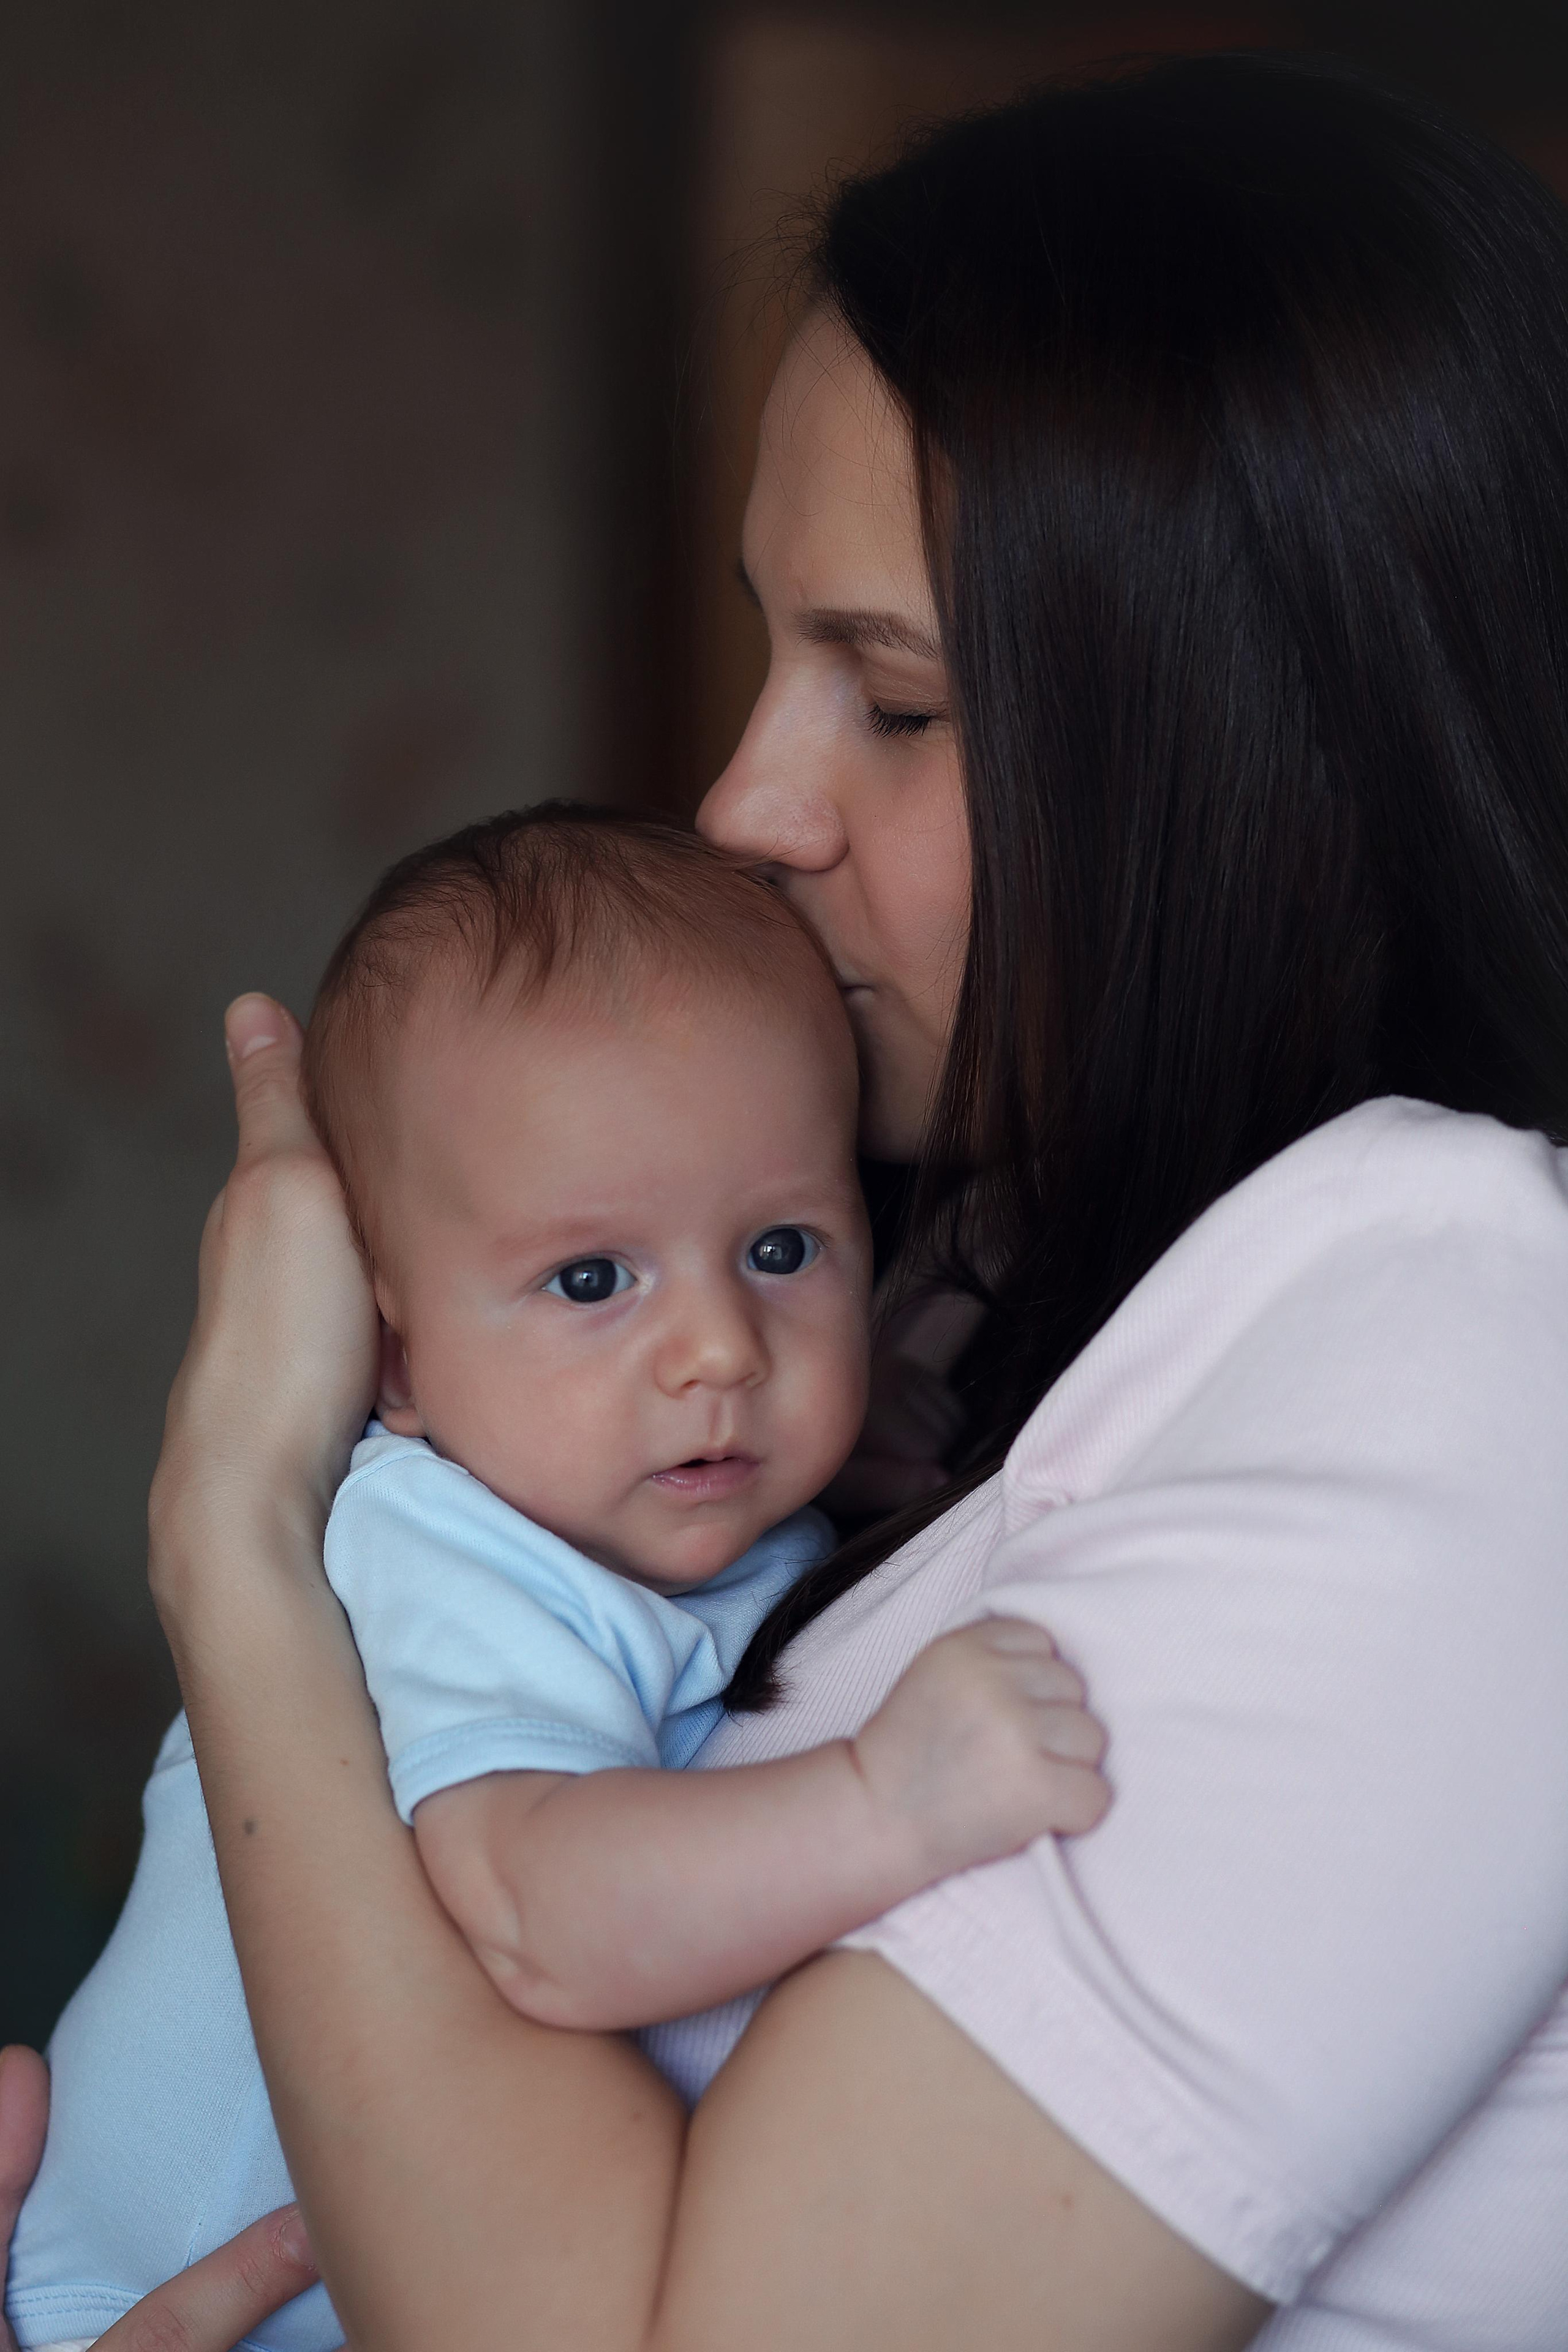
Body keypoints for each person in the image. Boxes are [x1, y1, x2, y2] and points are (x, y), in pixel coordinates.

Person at [6, 47, 1568, 2350]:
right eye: (770, 649)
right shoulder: (1021, 1332)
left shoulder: (1471, 1329)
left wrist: (234, 1548)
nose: (745, 802)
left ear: (1258, 755)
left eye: (897, 704)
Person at [5, 810, 1105, 2352]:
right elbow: (542, 1911)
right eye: (593, 1281)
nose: (720, 1348)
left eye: (784, 1248)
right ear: (390, 1355)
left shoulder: (660, 1514)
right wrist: (886, 1805)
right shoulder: (443, 1550)